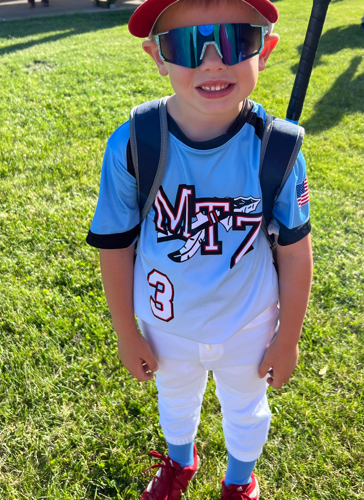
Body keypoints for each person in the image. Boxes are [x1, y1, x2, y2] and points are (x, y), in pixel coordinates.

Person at [86, 0, 313, 498]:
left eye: (235, 40)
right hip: (166, 321)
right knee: (175, 401)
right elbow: (116, 247)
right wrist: (126, 331)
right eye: (187, 44)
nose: (212, 62)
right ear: (158, 57)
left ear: (264, 51)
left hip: (249, 321)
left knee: (247, 410)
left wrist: (288, 337)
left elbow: (296, 252)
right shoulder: (134, 144)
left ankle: (239, 481)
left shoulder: (277, 147)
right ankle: (180, 463)